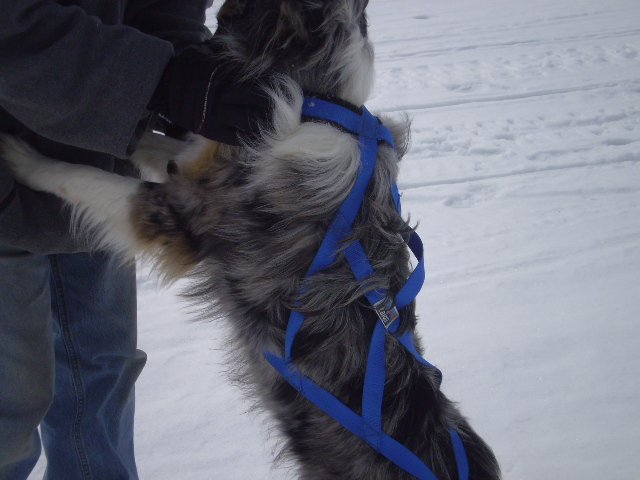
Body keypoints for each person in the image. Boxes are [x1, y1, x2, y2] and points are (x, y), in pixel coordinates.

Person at [0, 1, 268, 479]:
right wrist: (159, 80)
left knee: (102, 378)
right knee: (10, 405)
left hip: (95, 161)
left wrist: (186, 66)